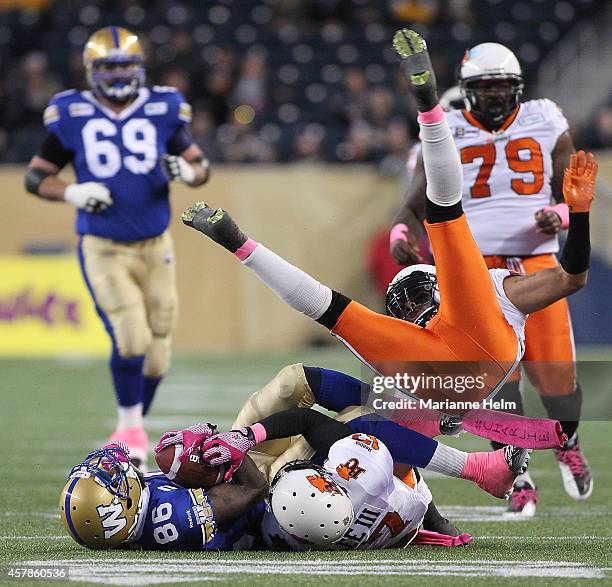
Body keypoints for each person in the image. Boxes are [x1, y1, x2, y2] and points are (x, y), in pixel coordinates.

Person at [181, 30, 595, 411]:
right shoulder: (458, 316)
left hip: (452, 366)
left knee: (441, 215)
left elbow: (316, 300)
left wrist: (241, 245)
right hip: (471, 348)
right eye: (409, 304)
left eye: (412, 300)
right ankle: (428, 108)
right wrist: (576, 214)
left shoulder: (409, 349)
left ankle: (428, 107)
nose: (414, 308)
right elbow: (570, 277)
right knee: (444, 212)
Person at [389, 41, 592, 515]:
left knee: (557, 376)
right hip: (475, 271)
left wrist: (561, 214)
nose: (498, 96)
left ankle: (567, 441)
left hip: (537, 262)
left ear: (519, 88)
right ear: (469, 90)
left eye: (504, 87)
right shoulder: (450, 127)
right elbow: (415, 197)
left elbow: (569, 186)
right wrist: (402, 230)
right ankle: (516, 475)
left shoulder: (545, 118)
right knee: (498, 380)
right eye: (487, 87)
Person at [59, 362, 532, 551]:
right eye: (109, 483)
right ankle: (473, 467)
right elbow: (250, 489)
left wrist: (197, 454)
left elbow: (206, 477)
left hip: (257, 475)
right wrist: (228, 444)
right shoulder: (172, 520)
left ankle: (427, 411)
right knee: (361, 423)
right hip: (279, 496)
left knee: (293, 382)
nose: (113, 470)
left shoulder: (145, 508)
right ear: (114, 511)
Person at [24, 27, 210, 467]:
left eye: (126, 64)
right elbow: (36, 176)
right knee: (132, 337)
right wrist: (70, 192)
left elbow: (201, 165)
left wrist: (186, 173)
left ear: (140, 68)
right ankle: (130, 431)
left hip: (155, 242)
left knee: (159, 344)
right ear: (93, 71)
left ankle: (128, 429)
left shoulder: (164, 107)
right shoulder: (70, 112)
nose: (120, 73)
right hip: (103, 244)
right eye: (111, 66)